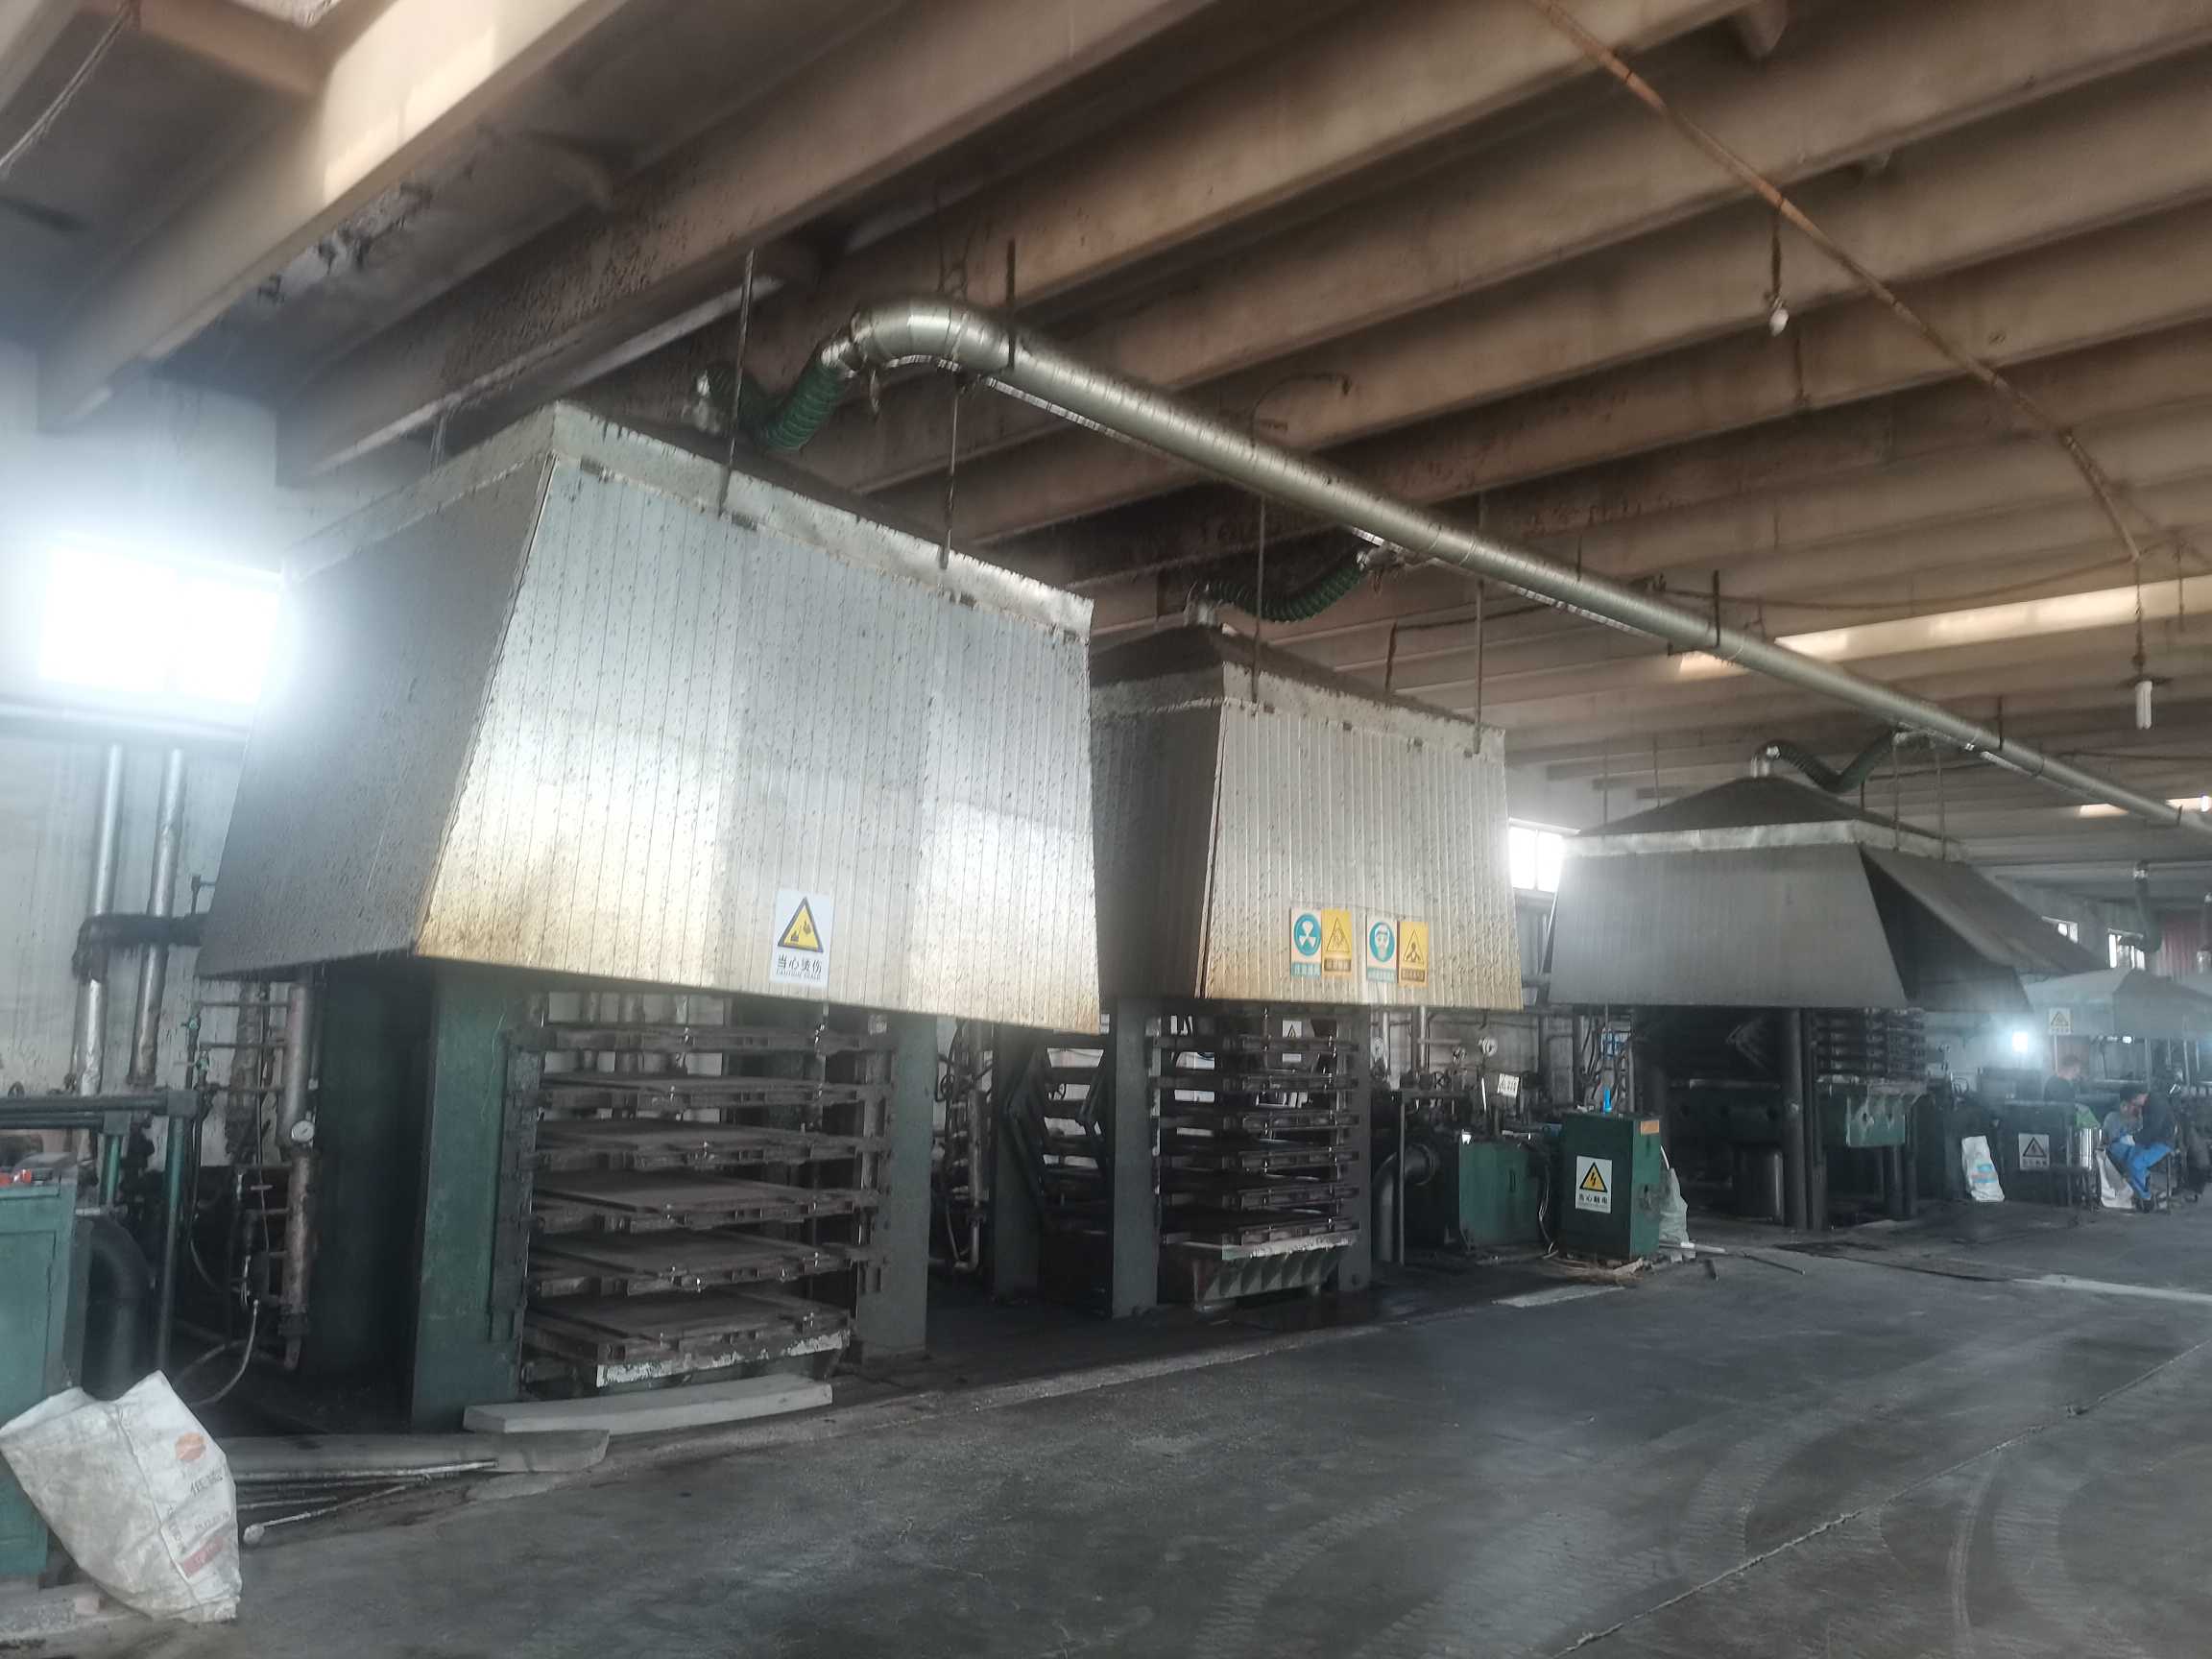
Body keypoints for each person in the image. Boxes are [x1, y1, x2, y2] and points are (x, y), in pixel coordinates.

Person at [2103, 1087, 2174, 1212]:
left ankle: (2146, 1199)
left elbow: (2153, 1130)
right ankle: (2141, 1180)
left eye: (2131, 1103)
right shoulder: (2147, 1104)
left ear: (2135, 1099)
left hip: (2162, 1143)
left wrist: (2133, 1139)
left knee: (2135, 1164)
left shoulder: (2157, 1105)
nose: (2132, 1106)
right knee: (2120, 1152)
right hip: (2149, 1141)